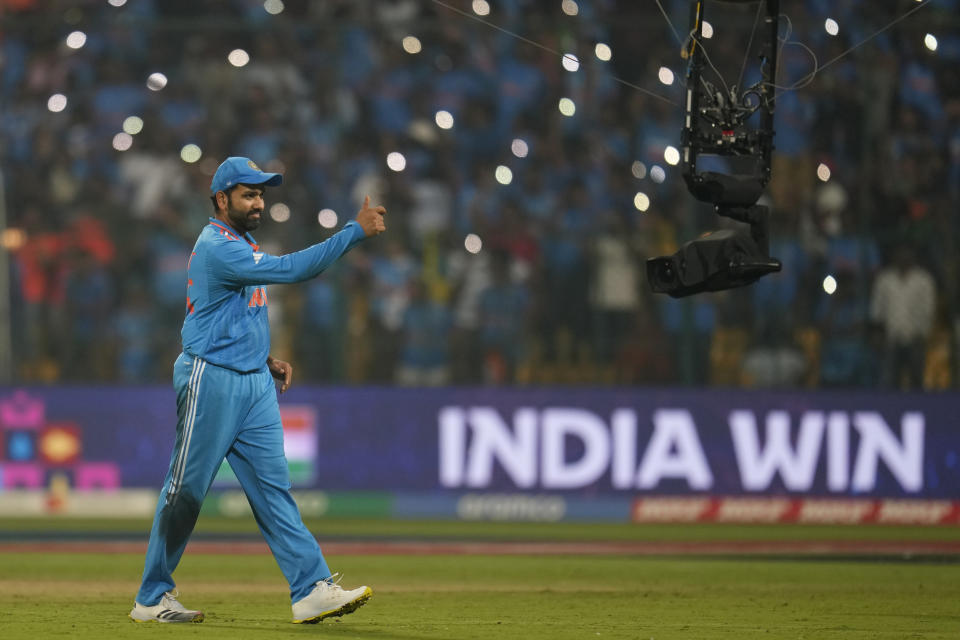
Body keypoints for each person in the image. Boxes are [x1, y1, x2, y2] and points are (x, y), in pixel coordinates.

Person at [129, 156, 386, 624]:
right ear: (221, 199)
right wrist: (353, 232)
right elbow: (292, 270)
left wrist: (263, 359)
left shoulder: (240, 243)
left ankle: (310, 589)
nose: (259, 202)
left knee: (274, 492)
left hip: (253, 384)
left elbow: (231, 313)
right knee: (185, 491)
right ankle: (151, 598)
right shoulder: (216, 245)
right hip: (212, 379)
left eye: (262, 194)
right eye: (248, 194)